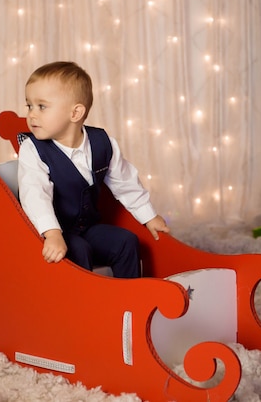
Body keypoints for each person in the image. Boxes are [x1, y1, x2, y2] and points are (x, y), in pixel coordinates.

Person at [17, 61, 169, 278]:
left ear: (75, 113)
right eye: (29, 105)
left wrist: (149, 216)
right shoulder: (32, 149)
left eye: (41, 106)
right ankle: (84, 306)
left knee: (126, 241)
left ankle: (129, 300)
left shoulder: (102, 143)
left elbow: (125, 182)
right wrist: (51, 233)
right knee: (78, 250)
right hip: (54, 231)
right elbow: (35, 194)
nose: (31, 114)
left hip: (87, 227)